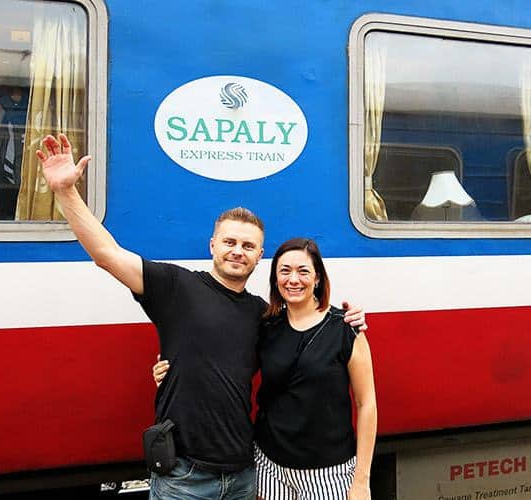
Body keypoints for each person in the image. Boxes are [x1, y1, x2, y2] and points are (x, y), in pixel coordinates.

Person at [36, 134, 366, 500]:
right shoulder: (175, 286)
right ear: (212, 245)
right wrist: (66, 192)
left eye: (248, 246)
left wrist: (347, 318)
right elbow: (107, 254)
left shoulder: (263, 315)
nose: (237, 252)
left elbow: (304, 334)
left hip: (244, 473)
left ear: (259, 257)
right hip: (183, 477)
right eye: (229, 242)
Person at [155, 238, 377, 500]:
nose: (293, 279)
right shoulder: (267, 326)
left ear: (317, 278)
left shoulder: (345, 328)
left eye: (303, 271)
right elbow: (225, 364)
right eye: (284, 271)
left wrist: (361, 480)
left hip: (329, 472)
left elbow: (366, 405)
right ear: (275, 280)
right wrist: (170, 371)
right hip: (270, 468)